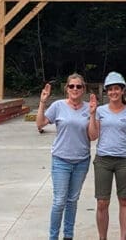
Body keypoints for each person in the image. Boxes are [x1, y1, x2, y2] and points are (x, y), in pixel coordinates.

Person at [37, 75, 93, 240]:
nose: (75, 89)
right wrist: (42, 102)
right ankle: (53, 236)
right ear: (66, 89)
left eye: (78, 86)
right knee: (59, 201)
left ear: (84, 89)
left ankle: (68, 235)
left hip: (81, 160)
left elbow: (93, 135)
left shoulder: (89, 108)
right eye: (71, 86)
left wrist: (94, 114)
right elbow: (40, 123)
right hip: (61, 160)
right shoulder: (58, 106)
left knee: (72, 200)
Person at [88, 71, 126, 240]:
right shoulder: (100, 111)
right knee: (102, 202)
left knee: (124, 200)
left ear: (122, 90)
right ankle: (102, 237)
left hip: (124, 161)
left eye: (116, 89)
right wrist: (91, 114)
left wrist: (124, 145)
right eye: (110, 89)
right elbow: (93, 136)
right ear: (106, 91)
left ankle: (123, 237)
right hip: (103, 160)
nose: (113, 92)